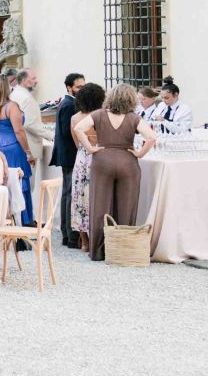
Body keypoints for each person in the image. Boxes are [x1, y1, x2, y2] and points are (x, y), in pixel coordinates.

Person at [88, 84, 160, 261]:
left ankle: (98, 251)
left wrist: (90, 148)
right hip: (127, 162)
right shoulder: (134, 118)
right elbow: (152, 138)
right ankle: (122, 249)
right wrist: (139, 154)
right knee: (127, 206)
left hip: (102, 161)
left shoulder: (98, 115)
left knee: (100, 205)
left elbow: (78, 129)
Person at [0, 73, 35, 227]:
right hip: (12, 149)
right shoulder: (11, 106)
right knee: (18, 182)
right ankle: (22, 220)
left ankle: (0, 220)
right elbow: (19, 131)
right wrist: (28, 152)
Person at [68, 83, 104, 248]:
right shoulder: (101, 116)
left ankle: (84, 240)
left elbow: (77, 143)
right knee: (97, 196)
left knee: (79, 197)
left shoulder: (75, 118)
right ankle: (98, 237)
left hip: (82, 158)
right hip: (98, 156)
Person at [52, 72, 85, 247]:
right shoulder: (69, 105)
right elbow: (67, 132)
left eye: (83, 86)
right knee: (70, 193)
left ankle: (67, 233)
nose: (82, 89)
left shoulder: (68, 103)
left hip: (67, 154)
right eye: (79, 87)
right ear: (69, 88)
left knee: (68, 193)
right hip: (70, 155)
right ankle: (70, 234)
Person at [10, 68, 51, 163]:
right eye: (33, 78)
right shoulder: (27, 98)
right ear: (24, 80)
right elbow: (30, 124)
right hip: (29, 146)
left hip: (17, 144)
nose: (36, 81)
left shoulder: (14, 94)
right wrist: (51, 135)